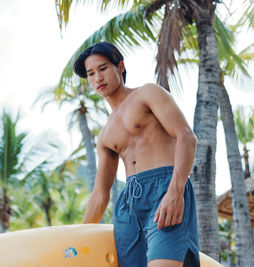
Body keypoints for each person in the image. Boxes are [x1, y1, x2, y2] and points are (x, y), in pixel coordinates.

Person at [73, 42, 200, 267]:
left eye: (103, 69)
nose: (97, 78)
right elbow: (101, 194)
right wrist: (76, 239)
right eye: (91, 74)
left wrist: (175, 191)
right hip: (128, 207)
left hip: (164, 188)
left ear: (120, 67)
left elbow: (186, 137)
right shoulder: (105, 135)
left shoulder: (147, 94)